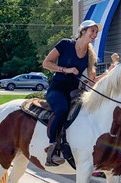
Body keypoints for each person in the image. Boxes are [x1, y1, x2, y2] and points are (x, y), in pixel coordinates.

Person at [42, 20, 103, 165]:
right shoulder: (65, 44)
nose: (94, 35)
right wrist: (65, 69)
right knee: (62, 109)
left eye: (96, 32)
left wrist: (111, 72)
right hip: (57, 89)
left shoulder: (90, 55)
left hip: (74, 92)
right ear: (83, 31)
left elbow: (92, 80)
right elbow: (46, 63)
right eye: (92, 31)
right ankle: (52, 149)